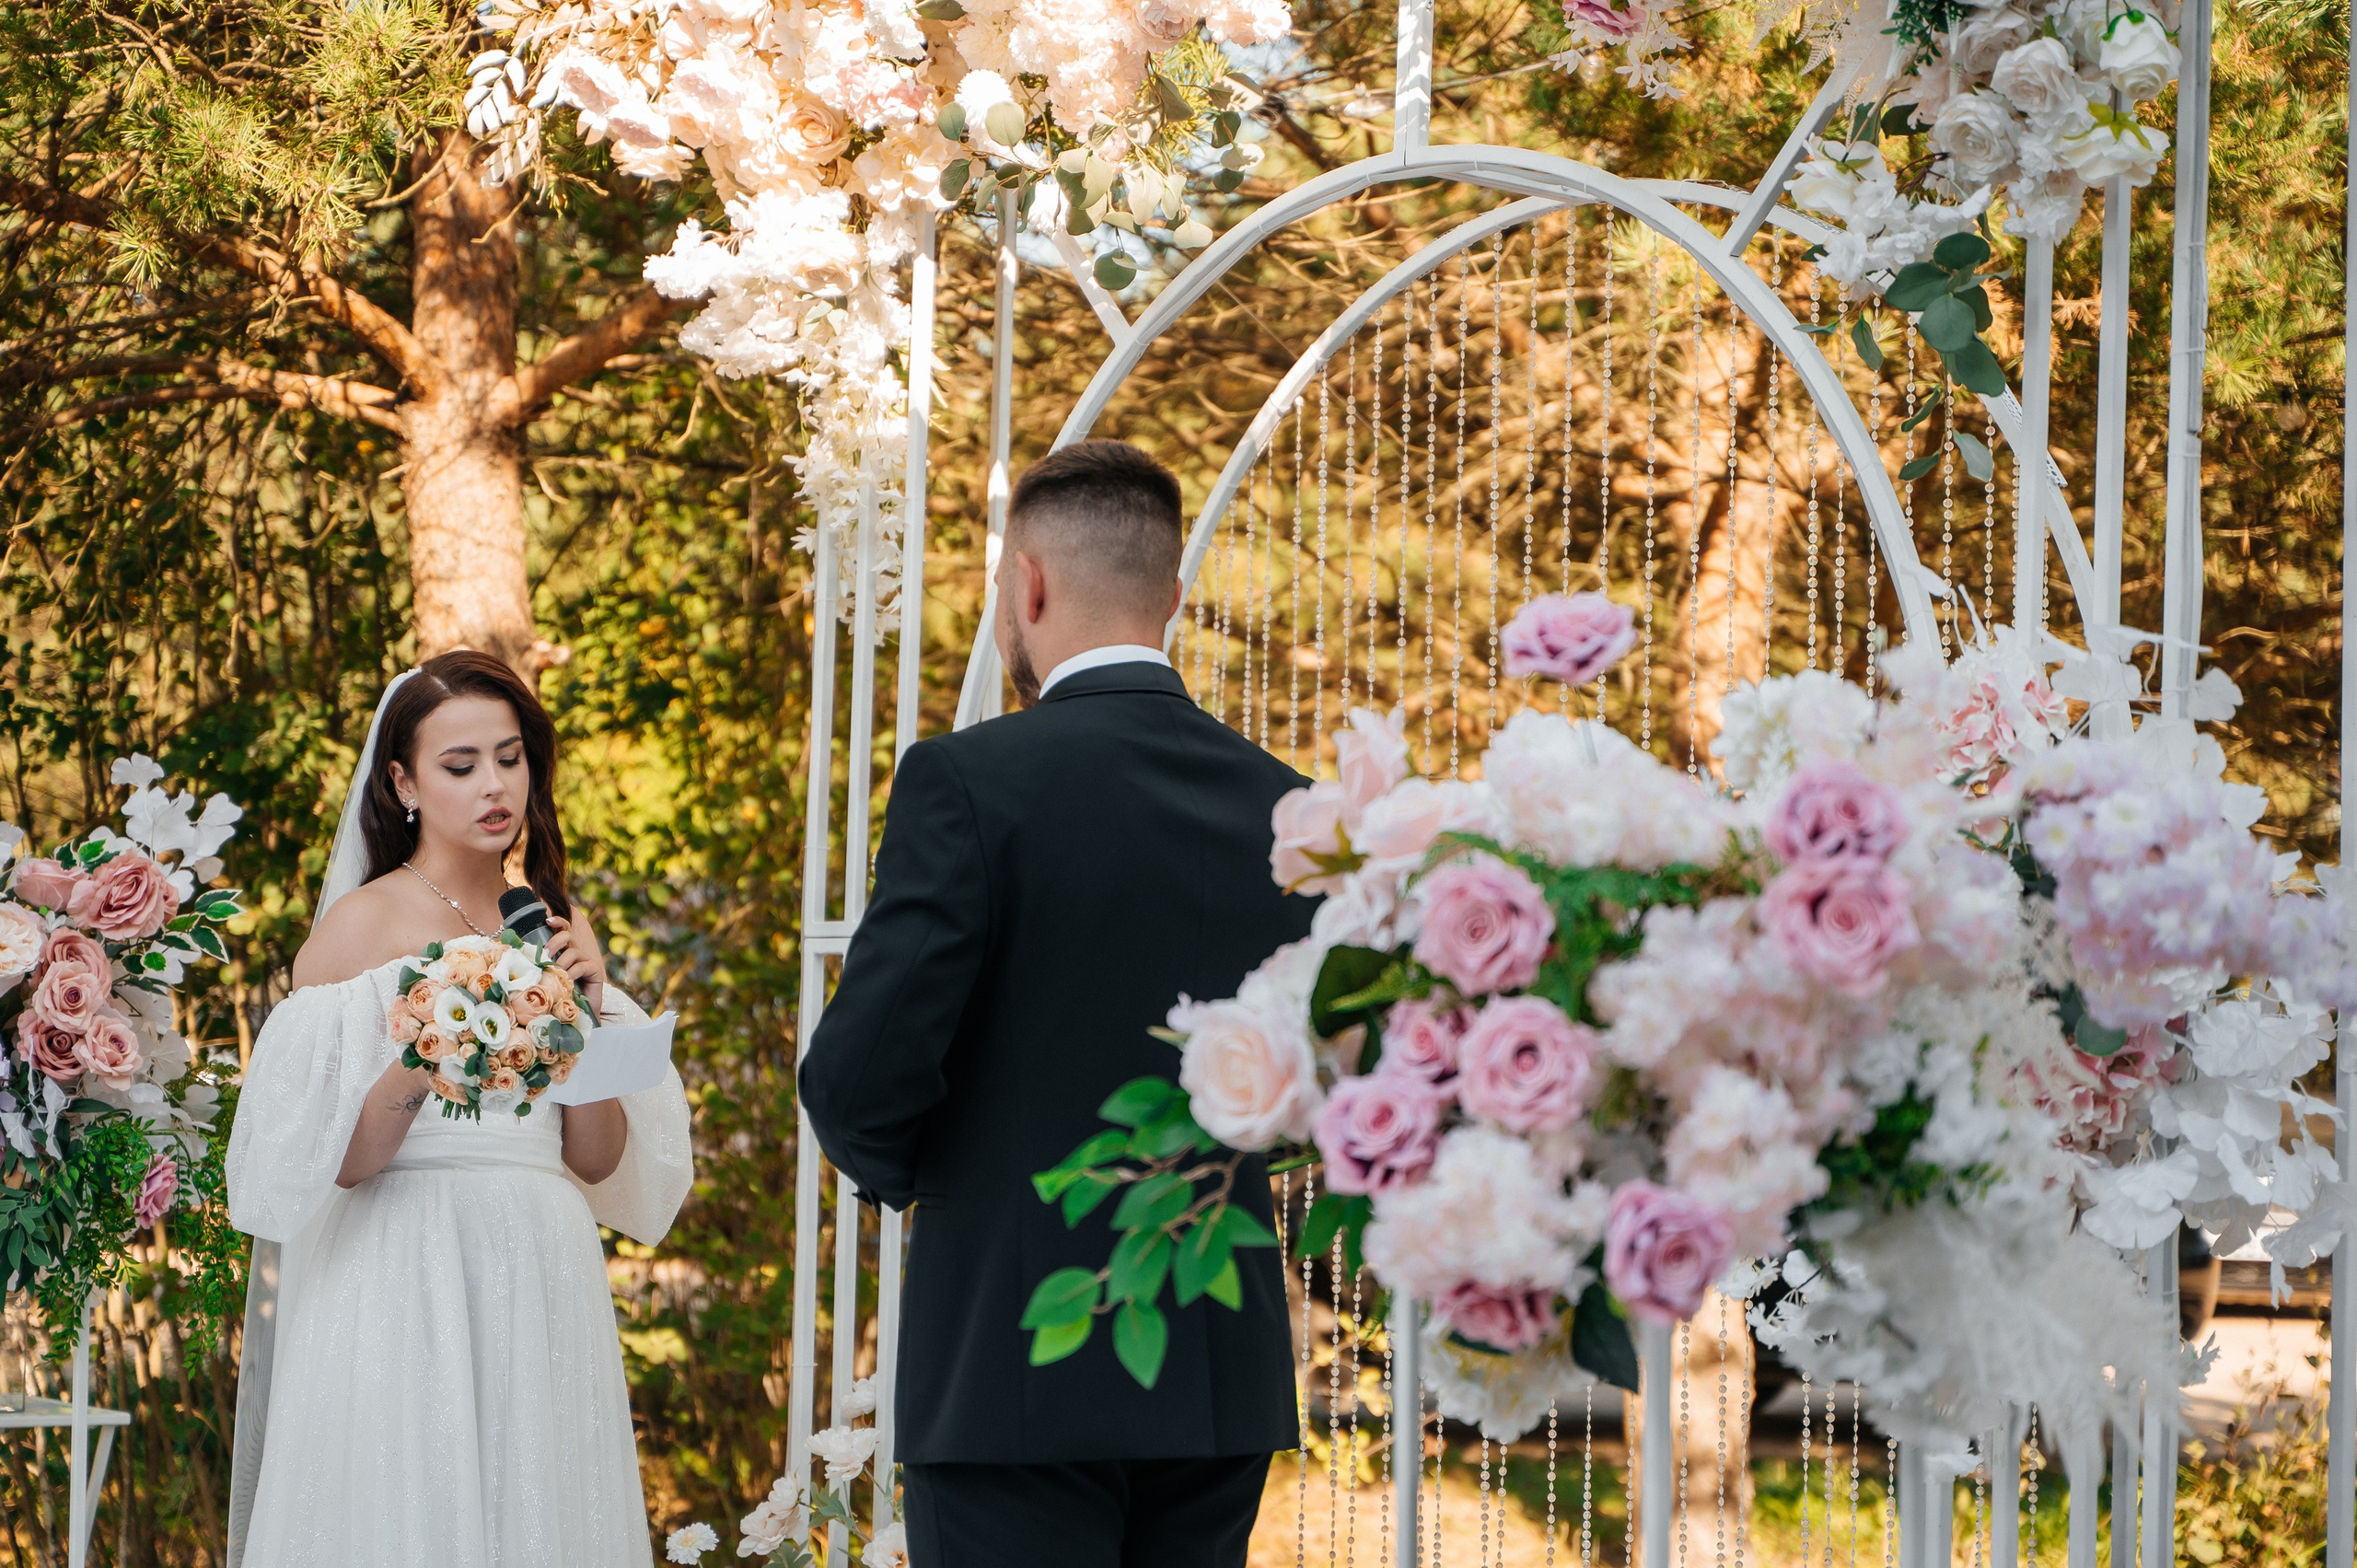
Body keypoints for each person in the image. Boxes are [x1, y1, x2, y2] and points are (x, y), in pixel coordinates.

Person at [800, 440, 1317, 1567]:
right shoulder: (1291, 809)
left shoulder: (966, 781)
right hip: (1215, 1364)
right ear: (1170, 595)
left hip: (1011, 1353)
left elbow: (858, 1075)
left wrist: (948, 1181)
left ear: (1024, 586)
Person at [225, 651, 693, 1568]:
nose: (495, 785)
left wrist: (589, 1009)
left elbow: (594, 1158)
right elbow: (338, 1162)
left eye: (510, 758)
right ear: (403, 782)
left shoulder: (548, 922)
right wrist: (428, 1049)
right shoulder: (361, 925)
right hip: (407, 1253)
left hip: (542, 1256)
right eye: (461, 764)